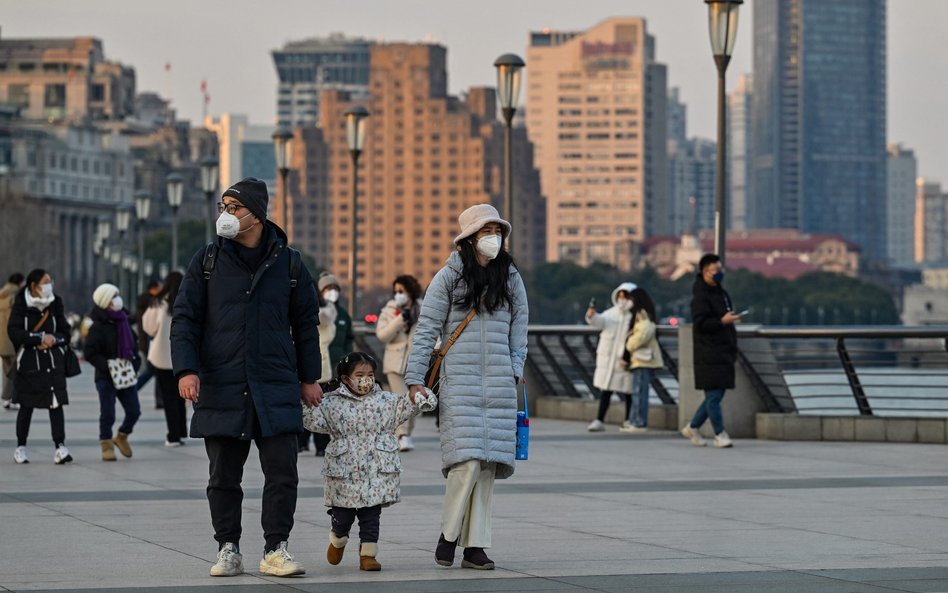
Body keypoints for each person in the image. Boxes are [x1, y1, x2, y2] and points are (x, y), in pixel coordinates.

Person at [171, 177, 322, 578]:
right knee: (223, 476)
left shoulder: (289, 263)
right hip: (221, 381)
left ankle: (276, 548)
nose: (226, 215)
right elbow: (185, 318)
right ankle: (228, 547)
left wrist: (310, 378)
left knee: (282, 473)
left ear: (257, 214)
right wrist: (186, 369)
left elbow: (306, 324)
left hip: (275, 383)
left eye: (234, 208)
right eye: (223, 207)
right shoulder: (207, 261)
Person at [405, 203, 529, 571]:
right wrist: (414, 379)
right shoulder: (449, 277)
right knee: (467, 462)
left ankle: (476, 546)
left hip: (500, 384)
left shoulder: (511, 278)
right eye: (486, 231)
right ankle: (449, 534)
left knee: (488, 466)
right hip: (459, 381)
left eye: (497, 231)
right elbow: (427, 329)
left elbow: (520, 326)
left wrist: (514, 367)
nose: (493, 238)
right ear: (469, 238)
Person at [302, 352, 436, 572]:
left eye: (370, 374)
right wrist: (304, 402)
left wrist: (422, 397)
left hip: (376, 470)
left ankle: (368, 555)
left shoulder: (386, 400)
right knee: (342, 517)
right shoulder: (331, 402)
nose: (366, 379)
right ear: (346, 379)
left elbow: (406, 406)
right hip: (344, 471)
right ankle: (338, 539)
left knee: (371, 516)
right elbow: (312, 421)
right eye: (360, 374)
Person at [7, 269, 72, 464]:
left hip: (52, 362)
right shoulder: (21, 304)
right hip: (29, 364)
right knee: (26, 405)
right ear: (34, 286)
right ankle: (21, 447)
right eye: (45, 281)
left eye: (50, 281)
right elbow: (15, 332)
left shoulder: (55, 303)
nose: (49, 285)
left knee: (56, 404)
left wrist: (54, 340)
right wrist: (38, 338)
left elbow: (65, 332)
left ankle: (60, 447)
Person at [681, 253, 739, 449]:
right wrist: (722, 321)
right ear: (705, 272)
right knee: (713, 396)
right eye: (716, 270)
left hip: (724, 350)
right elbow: (701, 324)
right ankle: (720, 434)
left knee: (716, 395)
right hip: (708, 352)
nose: (719, 273)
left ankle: (693, 426)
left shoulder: (722, 293)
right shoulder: (700, 297)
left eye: (720, 269)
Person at [84, 283, 142, 462]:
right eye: (113, 296)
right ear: (105, 301)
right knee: (108, 412)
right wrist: (108, 366)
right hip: (106, 376)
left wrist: (135, 363)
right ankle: (106, 444)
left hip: (125, 375)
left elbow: (134, 346)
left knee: (134, 411)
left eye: (117, 295)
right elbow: (90, 353)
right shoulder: (97, 327)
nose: (118, 299)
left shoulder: (124, 321)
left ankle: (122, 436)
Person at [375, 274, 423, 452]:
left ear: (410, 291)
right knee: (401, 399)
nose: (398, 295)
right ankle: (402, 434)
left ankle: (406, 433)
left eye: (401, 291)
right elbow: (382, 335)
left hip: (415, 361)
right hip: (394, 362)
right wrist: (399, 319)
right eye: (395, 292)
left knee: (415, 401)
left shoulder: (422, 308)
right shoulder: (389, 310)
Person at [142, 272, 188, 447]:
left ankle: (173, 435)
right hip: (182, 356)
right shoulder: (187, 300)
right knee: (180, 396)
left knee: (168, 398)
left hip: (161, 357)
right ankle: (182, 430)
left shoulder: (159, 302)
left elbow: (149, 327)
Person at [585, 282, 637, 431]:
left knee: (628, 391)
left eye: (625, 296)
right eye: (620, 296)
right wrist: (591, 316)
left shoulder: (634, 316)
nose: (622, 299)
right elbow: (599, 321)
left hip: (624, 360)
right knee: (606, 391)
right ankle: (599, 419)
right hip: (608, 360)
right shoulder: (611, 313)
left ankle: (628, 420)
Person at [315, 271, 353, 456]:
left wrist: (347, 358)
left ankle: (335, 442)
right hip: (318, 365)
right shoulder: (318, 312)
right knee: (316, 405)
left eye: (335, 288)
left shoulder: (343, 314)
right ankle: (317, 444)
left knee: (334, 407)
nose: (332, 292)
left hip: (337, 367)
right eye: (328, 288)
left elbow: (349, 339)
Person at [620, 287, 663, 433]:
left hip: (643, 359)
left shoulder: (642, 315)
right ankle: (634, 420)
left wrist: (629, 344)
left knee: (639, 392)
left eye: (631, 299)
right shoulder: (644, 314)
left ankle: (639, 422)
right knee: (638, 392)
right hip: (640, 359)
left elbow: (645, 332)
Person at [298, 294, 336, 455]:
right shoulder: (327, 317)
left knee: (315, 406)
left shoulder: (323, 314)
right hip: (317, 366)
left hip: (317, 368)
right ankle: (307, 443)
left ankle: (315, 444)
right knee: (314, 408)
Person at [135, 280, 162, 408]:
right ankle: (133, 390)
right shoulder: (152, 304)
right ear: (153, 289)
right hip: (151, 342)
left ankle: (159, 400)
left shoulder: (143, 304)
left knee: (155, 371)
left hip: (146, 342)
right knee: (153, 371)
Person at [1, 272, 25, 410]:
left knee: (6, 370)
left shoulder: (2, 295)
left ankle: (6, 399)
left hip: (1, 341)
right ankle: (13, 398)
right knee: (16, 369)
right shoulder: (15, 297)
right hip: (12, 340)